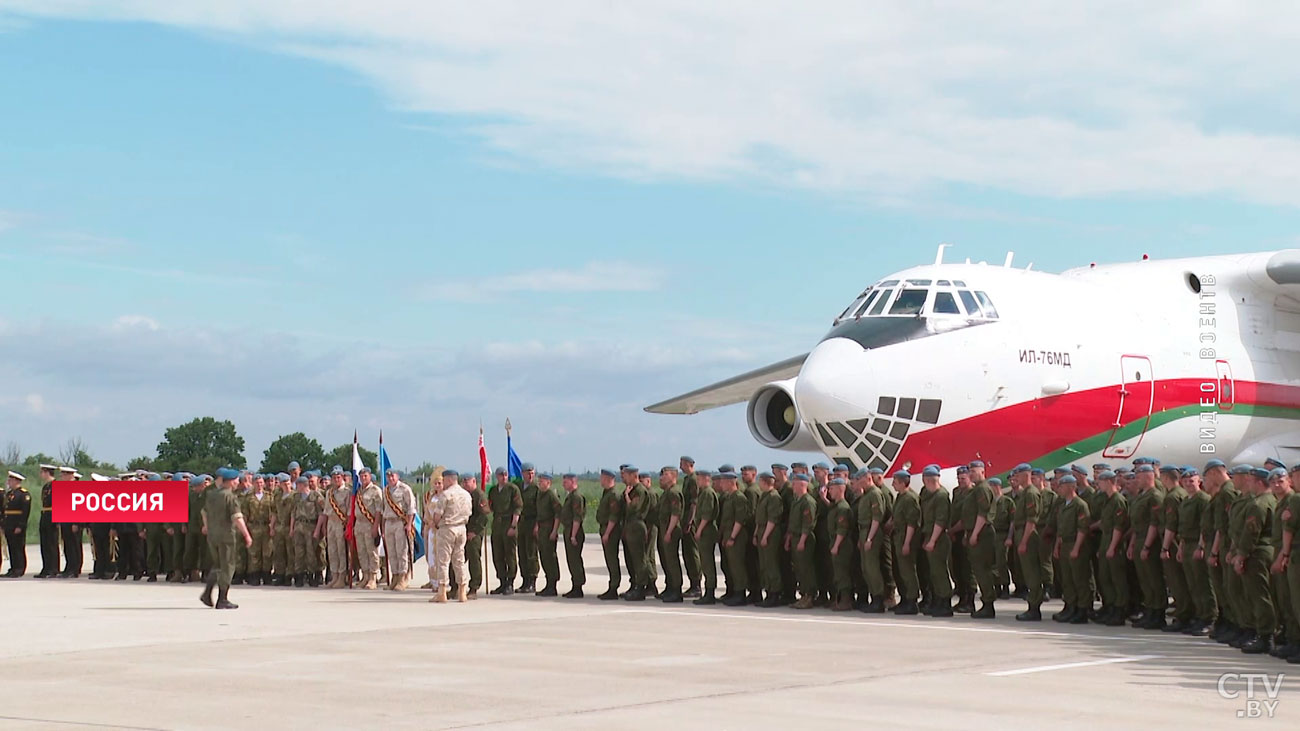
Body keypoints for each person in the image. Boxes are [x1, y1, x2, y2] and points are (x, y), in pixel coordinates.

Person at [201, 468, 253, 609]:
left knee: (217, 565)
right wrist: (247, 535)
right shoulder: (230, 497)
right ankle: (222, 599)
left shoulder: (211, 495)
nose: (238, 482)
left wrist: (207, 527)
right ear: (230, 482)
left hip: (213, 536)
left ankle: (207, 593)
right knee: (228, 566)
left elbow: (203, 512)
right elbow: (237, 517)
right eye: (236, 480)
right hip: (226, 536)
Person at [430, 470, 471, 603]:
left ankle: (442, 592)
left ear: (448, 480)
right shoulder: (466, 495)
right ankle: (462, 591)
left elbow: (437, 515)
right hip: (461, 528)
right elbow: (469, 512)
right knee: (459, 560)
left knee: (443, 561)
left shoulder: (446, 495)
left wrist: (436, 524)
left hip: (447, 528)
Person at [919, 466, 953, 617]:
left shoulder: (941, 496)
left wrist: (932, 540)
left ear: (927, 479)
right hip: (930, 535)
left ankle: (945, 603)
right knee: (934, 572)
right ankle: (938, 600)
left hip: (938, 538)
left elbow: (941, 520)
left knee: (940, 572)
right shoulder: (929, 494)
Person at [382, 468, 416, 591]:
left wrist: (409, 524)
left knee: (401, 551)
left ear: (397, 476)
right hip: (388, 522)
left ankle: (403, 577)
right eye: (388, 477)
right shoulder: (385, 491)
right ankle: (395, 576)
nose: (391, 479)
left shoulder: (405, 489)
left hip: (400, 522)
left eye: (393, 476)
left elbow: (411, 508)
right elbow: (383, 510)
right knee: (392, 552)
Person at [489, 467, 522, 595]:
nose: (504, 477)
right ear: (497, 476)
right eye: (501, 475)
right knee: (497, 554)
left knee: (510, 554)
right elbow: (491, 507)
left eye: (505, 475)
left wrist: (513, 526)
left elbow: (517, 508)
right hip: (497, 523)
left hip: (509, 522)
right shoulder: (493, 490)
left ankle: (510, 582)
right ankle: (502, 581)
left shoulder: (512, 489)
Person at [353, 467, 384, 590]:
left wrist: (376, 526)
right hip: (359, 524)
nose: (363, 478)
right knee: (362, 552)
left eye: (365, 476)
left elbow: (378, 511)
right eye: (361, 476)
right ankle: (365, 576)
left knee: (372, 552)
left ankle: (373, 577)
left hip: (370, 523)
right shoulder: (358, 491)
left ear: (370, 476)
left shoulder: (375, 490)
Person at [692, 470, 719, 606]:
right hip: (704, 531)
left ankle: (710, 592)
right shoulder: (704, 493)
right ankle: (708, 591)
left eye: (699, 479)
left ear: (706, 479)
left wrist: (699, 530)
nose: (698, 482)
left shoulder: (708, 493)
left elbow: (706, 515)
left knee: (707, 563)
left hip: (706, 532)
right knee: (705, 562)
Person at [596, 468, 624, 600]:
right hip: (605, 529)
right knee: (609, 559)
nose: (600, 480)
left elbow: (614, 516)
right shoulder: (606, 493)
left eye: (602, 478)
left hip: (611, 531)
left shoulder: (613, 495)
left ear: (608, 479)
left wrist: (607, 533)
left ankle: (614, 587)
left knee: (612, 559)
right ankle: (612, 586)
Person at [534, 473, 562, 597]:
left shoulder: (551, 495)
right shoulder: (540, 495)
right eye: (539, 480)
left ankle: (553, 584)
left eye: (542, 481)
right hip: (541, 529)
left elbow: (558, 514)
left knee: (550, 557)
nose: (540, 483)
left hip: (549, 528)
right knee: (543, 556)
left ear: (548, 482)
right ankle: (548, 584)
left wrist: (554, 530)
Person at [559, 473, 586, 598]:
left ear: (573, 481)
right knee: (571, 559)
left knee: (575, 559)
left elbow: (577, 518)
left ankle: (578, 586)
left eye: (566, 482)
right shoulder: (570, 496)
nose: (563, 484)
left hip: (574, 531)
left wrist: (573, 535)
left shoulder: (576, 497)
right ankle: (575, 585)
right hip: (569, 530)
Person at [463, 472, 489, 599]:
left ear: (474, 481)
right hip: (464, 531)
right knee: (458, 558)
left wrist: (475, 531)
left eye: (468, 481)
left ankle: (474, 587)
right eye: (464, 481)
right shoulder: (464, 495)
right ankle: (456, 586)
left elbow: (484, 515)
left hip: (474, 533)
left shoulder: (479, 495)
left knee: (474, 559)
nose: (465, 484)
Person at [517, 463, 540, 594]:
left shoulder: (536, 488)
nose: (530, 475)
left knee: (531, 553)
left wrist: (537, 525)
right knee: (522, 552)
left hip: (532, 521)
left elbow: (539, 509)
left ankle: (532, 581)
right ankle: (525, 580)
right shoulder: (519, 487)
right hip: (521, 522)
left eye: (532, 472)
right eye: (527, 473)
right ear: (523, 474)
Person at [57, 466, 84, 578]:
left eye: (63, 474)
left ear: (70, 475)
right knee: (67, 545)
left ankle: (75, 568)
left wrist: (76, 523)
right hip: (65, 521)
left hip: (74, 522)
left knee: (74, 545)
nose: (62, 477)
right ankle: (69, 567)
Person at [3, 470, 31, 577]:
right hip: (9, 524)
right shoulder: (10, 494)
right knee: (11, 547)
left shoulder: (23, 494)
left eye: (10, 480)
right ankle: (13, 567)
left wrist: (21, 525)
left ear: (16, 481)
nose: (9, 482)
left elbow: (25, 512)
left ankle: (19, 568)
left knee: (18, 547)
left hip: (17, 524)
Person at [35, 464, 59, 579]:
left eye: (42, 472)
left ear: (47, 472)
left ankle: (53, 568)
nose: (41, 474)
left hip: (53, 515)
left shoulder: (57, 485)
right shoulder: (46, 486)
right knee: (44, 544)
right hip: (45, 515)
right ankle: (46, 568)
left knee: (52, 544)